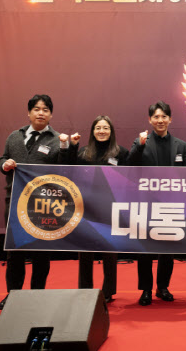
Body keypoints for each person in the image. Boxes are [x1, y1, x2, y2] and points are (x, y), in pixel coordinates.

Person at [0, 94, 65, 310]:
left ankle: (37, 295)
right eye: (36, 109)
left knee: (41, 252)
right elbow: (3, 159)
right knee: (14, 252)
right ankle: (13, 295)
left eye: (45, 110)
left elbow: (63, 168)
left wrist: (66, 147)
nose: (41, 113)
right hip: (15, 202)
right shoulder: (14, 136)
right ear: (29, 113)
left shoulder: (57, 139)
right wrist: (5, 165)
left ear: (51, 114)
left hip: (43, 205)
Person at [127, 101, 186, 306]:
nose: (160, 120)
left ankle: (163, 287)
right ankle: (145, 289)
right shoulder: (141, 142)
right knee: (145, 249)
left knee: (167, 249)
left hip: (171, 204)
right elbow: (130, 166)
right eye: (156, 117)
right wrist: (140, 146)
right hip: (146, 203)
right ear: (150, 120)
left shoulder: (181, 145)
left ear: (170, 119)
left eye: (164, 116)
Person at [60, 116, 128, 304]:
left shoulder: (121, 153)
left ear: (111, 132)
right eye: (98, 128)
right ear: (93, 131)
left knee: (109, 251)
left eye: (105, 128)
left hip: (110, 208)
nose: (101, 131)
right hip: (86, 207)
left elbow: (129, 177)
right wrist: (73, 146)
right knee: (85, 250)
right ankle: (85, 289)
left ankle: (108, 291)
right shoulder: (83, 153)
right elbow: (67, 170)